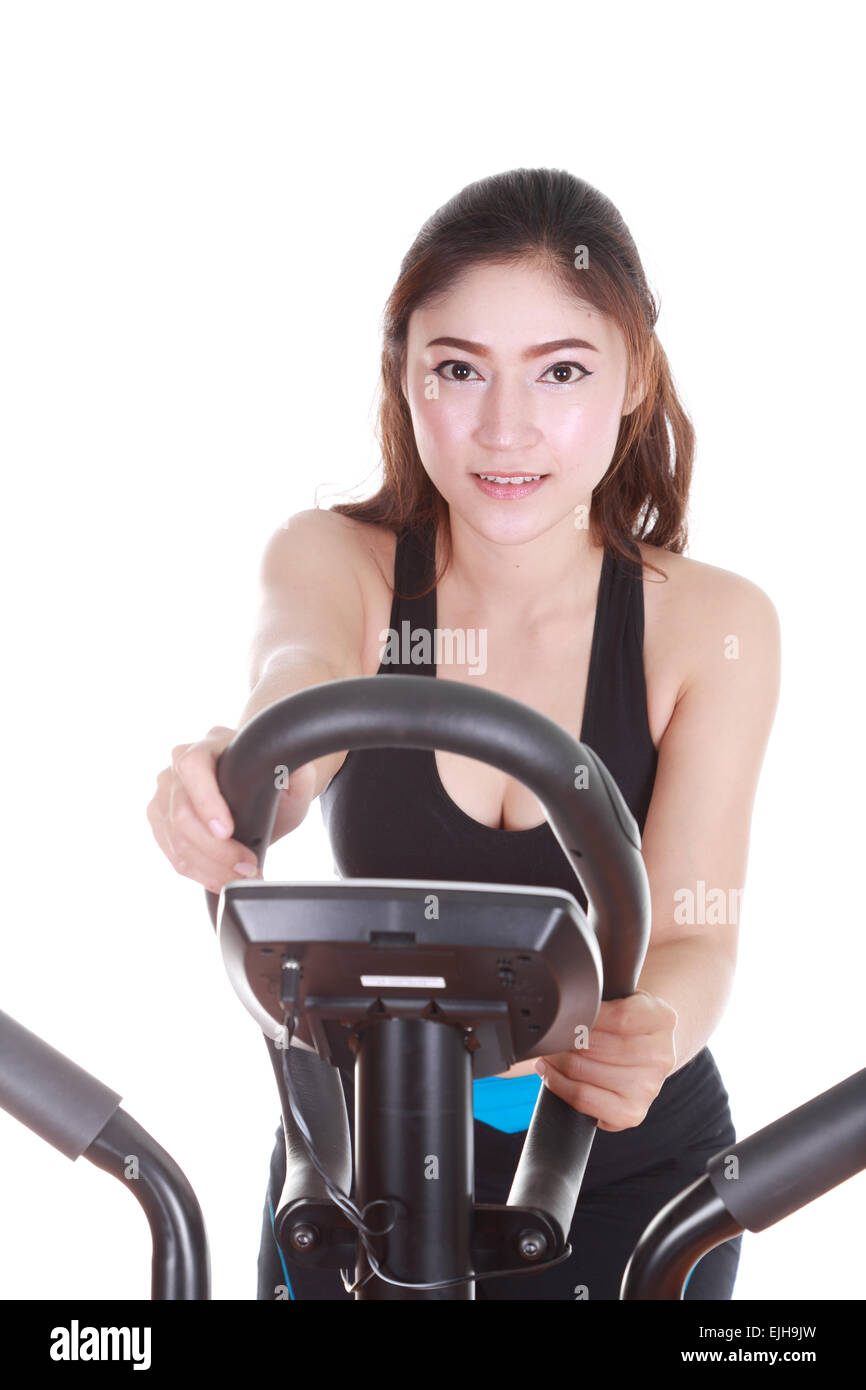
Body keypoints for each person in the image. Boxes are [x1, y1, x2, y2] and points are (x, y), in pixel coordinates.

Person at [146, 167, 781, 1300]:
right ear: (403, 373)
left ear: (632, 377)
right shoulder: (330, 558)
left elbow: (695, 927)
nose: (504, 428)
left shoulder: (710, 624)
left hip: (628, 1174)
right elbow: (297, 705)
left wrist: (659, 1023)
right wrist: (233, 781)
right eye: (457, 369)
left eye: (561, 372)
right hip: (366, 1168)